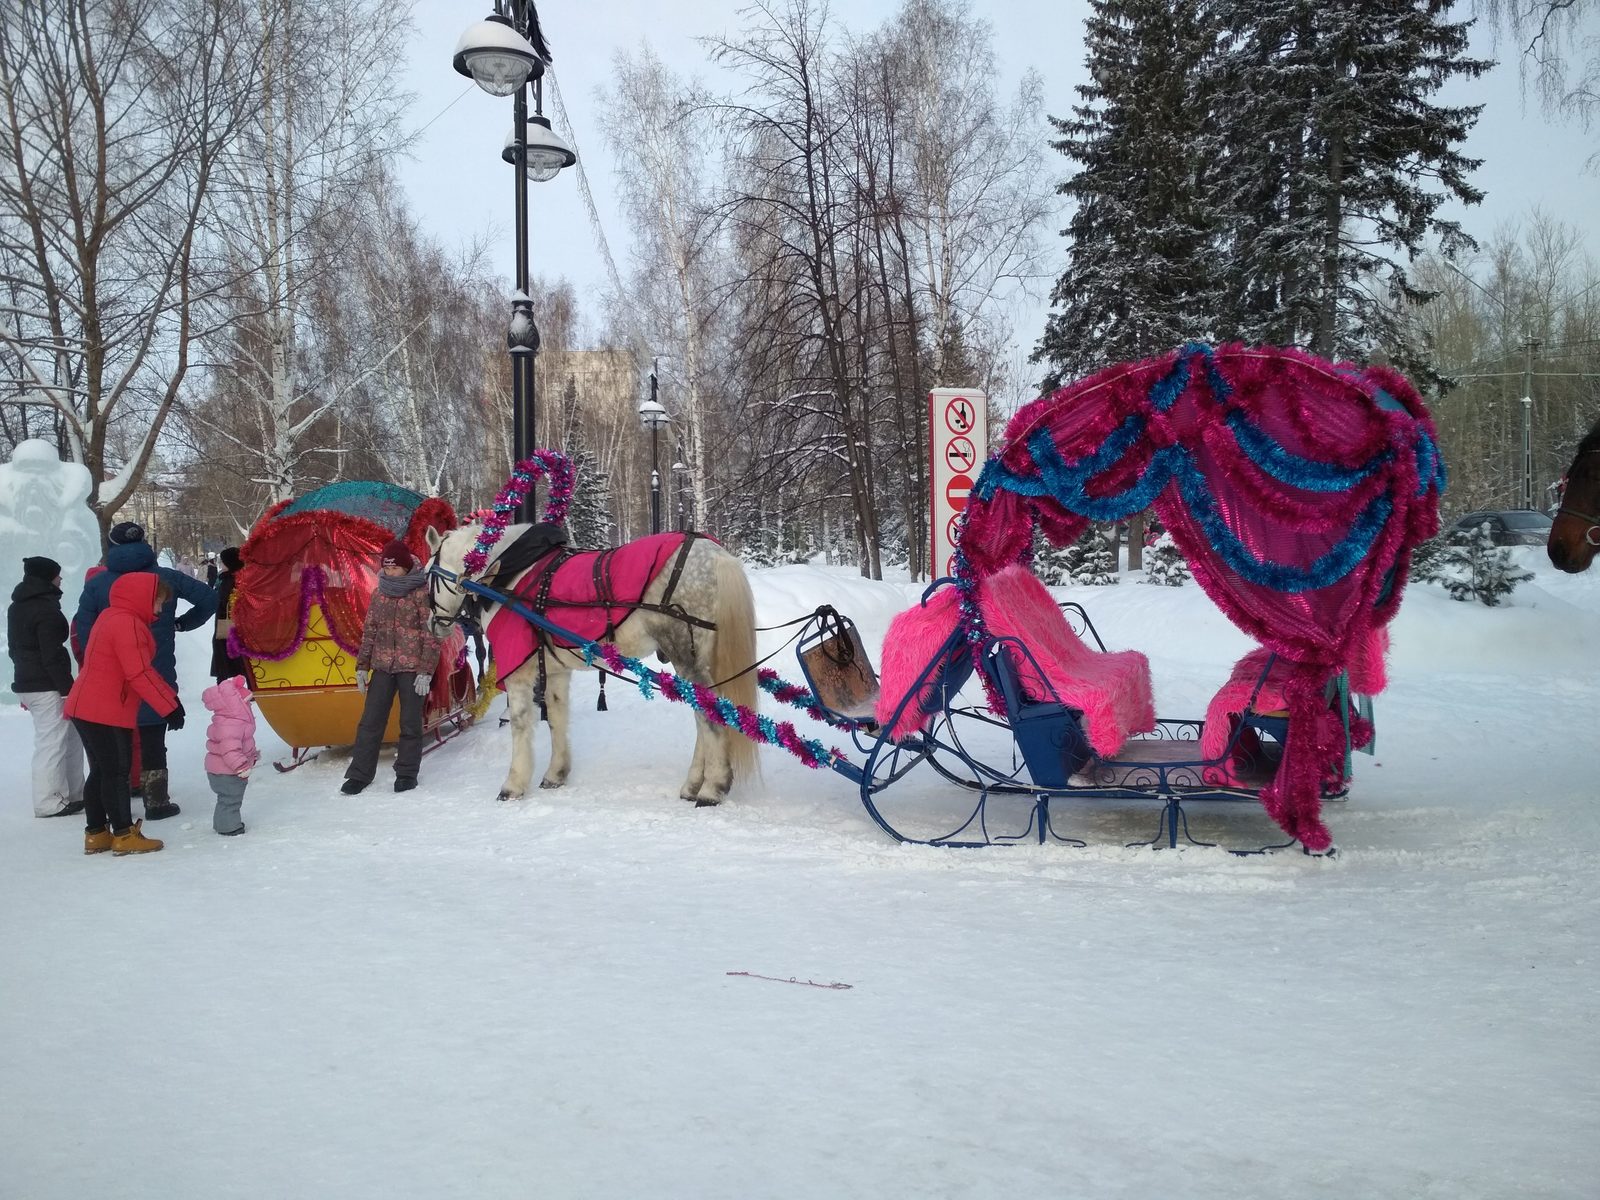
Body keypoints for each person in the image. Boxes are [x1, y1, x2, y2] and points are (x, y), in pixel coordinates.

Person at [75, 521, 215, 819]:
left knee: (115, 740)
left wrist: (99, 660)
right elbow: (210, 598)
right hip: (158, 669)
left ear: (111, 546)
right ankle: (156, 799)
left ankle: (120, 792)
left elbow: (85, 633)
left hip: (114, 679)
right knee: (154, 736)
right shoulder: (165, 578)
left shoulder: (98, 585)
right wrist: (182, 623)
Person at [65, 573, 183, 855]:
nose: (160, 609)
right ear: (145, 597)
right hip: (105, 709)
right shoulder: (127, 623)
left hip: (87, 706)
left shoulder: (111, 616)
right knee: (117, 772)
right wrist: (171, 706)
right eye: (159, 602)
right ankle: (123, 834)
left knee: (103, 771)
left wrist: (169, 702)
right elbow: (138, 672)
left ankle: (96, 834)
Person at [341, 539, 441, 795]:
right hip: (383, 666)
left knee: (410, 723)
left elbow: (431, 634)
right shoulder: (380, 593)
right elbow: (370, 631)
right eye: (387, 568)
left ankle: (406, 773)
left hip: (412, 668)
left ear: (406, 568)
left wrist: (425, 670)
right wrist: (362, 666)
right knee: (370, 722)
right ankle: (360, 775)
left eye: (395, 568)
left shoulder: (421, 593)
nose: (390, 572)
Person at [8, 556, 85, 817]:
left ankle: (74, 793)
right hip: (48, 685)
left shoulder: (17, 606)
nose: (60, 579)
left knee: (69, 737)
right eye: (57, 575)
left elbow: (17, 649)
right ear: (46, 578)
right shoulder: (45, 610)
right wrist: (66, 688)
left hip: (31, 682)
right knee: (52, 742)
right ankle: (49, 801)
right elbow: (51, 654)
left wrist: (23, 684)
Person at [202, 673, 257, 835]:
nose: (250, 706)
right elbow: (230, 750)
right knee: (231, 799)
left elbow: (239, 744)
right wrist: (241, 765)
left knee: (225, 799)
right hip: (228, 771)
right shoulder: (232, 724)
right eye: (246, 703)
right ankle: (229, 827)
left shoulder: (227, 719)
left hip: (219, 770)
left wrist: (251, 754)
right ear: (236, 705)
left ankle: (222, 823)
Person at [210, 546, 247, 682]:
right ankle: (246, 682)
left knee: (225, 651)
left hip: (227, 622)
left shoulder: (229, 579)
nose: (220, 564)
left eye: (223, 562)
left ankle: (223, 683)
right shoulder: (239, 577)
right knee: (237, 653)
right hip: (233, 621)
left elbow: (224, 599)